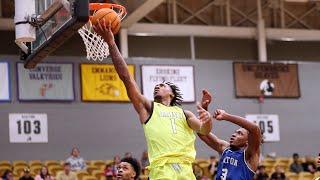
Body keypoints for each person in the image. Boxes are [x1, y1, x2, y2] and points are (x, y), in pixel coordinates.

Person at [94, 20, 213, 180]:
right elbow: (127, 78)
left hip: (186, 171)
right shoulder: (149, 109)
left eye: (163, 85)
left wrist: (207, 116)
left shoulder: (185, 114)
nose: (158, 86)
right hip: (162, 171)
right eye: (157, 85)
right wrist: (111, 43)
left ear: (171, 93)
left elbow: (205, 130)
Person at [198, 89, 261, 180]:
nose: (234, 134)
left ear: (247, 141)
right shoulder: (225, 148)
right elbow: (202, 133)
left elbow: (255, 129)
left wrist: (226, 116)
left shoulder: (250, 155)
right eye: (235, 132)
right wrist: (204, 109)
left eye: (239, 133)